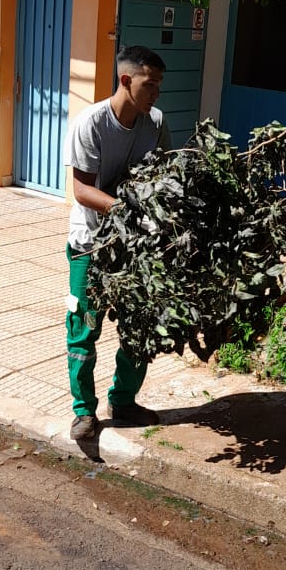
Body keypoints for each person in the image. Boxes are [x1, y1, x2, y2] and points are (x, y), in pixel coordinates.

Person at [63, 45, 171, 441]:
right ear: (126, 80)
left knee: (139, 326)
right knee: (84, 328)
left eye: (159, 86)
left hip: (136, 248)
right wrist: (128, 211)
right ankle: (83, 412)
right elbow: (82, 191)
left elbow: (166, 176)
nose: (155, 93)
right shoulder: (91, 124)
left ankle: (123, 402)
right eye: (150, 85)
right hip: (91, 244)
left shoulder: (155, 122)